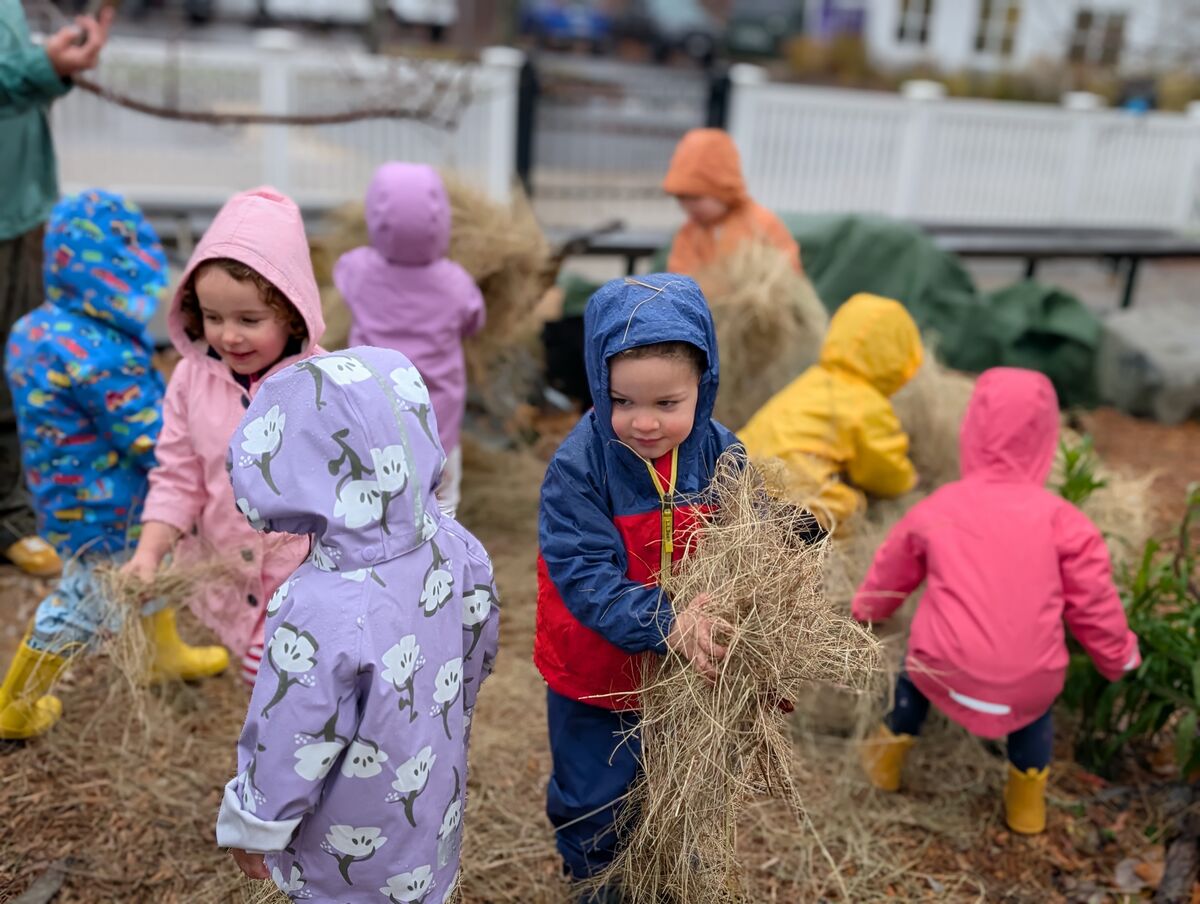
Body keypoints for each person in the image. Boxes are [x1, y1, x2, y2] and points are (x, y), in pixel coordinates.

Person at [217, 345, 500, 904]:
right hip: (428, 804)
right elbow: (478, 645)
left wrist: (257, 822)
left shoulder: (321, 604)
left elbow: (294, 731)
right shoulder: (454, 545)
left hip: (346, 844)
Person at [853, 368, 1140, 835]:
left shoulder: (941, 506)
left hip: (942, 669)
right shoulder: (1065, 522)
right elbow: (1095, 607)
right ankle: (1026, 805)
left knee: (915, 676)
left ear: (972, 432)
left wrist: (865, 611)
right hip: (1028, 684)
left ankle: (885, 757)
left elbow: (891, 572)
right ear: (1047, 441)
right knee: (1034, 712)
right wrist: (1119, 658)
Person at [535, 273, 741, 899]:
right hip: (595, 671)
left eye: (667, 404)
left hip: (680, 675)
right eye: (622, 401)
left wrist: (777, 540)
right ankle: (598, 881)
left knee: (670, 779)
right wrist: (667, 622)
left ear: (701, 390)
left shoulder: (719, 450)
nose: (644, 424)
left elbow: (742, 526)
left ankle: (666, 869)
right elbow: (587, 575)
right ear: (598, 384)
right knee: (594, 794)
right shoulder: (579, 468)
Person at [0, 190, 227, 740]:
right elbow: (150, 438)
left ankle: (160, 654)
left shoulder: (36, 330)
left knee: (151, 568)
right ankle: (16, 705)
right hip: (111, 504)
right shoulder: (101, 353)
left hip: (62, 495)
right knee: (89, 600)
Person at [122, 187, 326, 686]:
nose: (228, 336)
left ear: (293, 314)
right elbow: (177, 474)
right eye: (212, 318)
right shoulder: (191, 380)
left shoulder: (325, 385)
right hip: (223, 578)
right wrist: (148, 554)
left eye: (249, 320)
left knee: (282, 686)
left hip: (300, 583)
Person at [0, 0, 114, 577]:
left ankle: (10, 516)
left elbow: (19, 79)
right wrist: (39, 67)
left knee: (13, 371)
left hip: (19, 208)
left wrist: (58, 65)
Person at [334, 162, 485, 518]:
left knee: (377, 501)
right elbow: (475, 321)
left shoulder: (356, 269)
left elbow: (342, 285)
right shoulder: (456, 282)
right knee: (441, 503)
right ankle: (438, 563)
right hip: (437, 422)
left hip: (371, 413)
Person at [739, 292, 921, 529]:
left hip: (741, 476)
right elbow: (882, 468)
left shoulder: (812, 380)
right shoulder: (866, 404)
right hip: (795, 495)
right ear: (899, 357)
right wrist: (908, 480)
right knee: (849, 507)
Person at [662, 128, 801, 277]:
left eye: (696, 197)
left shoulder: (761, 225)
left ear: (722, 189)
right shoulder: (689, 233)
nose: (688, 206)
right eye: (681, 198)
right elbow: (679, 278)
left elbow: (788, 275)